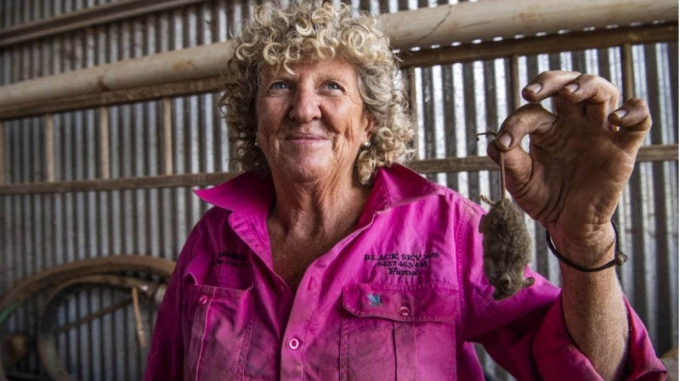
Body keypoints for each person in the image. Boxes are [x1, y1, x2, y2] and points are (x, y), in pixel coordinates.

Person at [144, 2, 667, 380]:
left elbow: (588, 370)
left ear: (368, 123)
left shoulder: (443, 229)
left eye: (331, 87)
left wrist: (587, 240)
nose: (304, 108)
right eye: (280, 86)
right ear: (254, 121)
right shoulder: (214, 239)